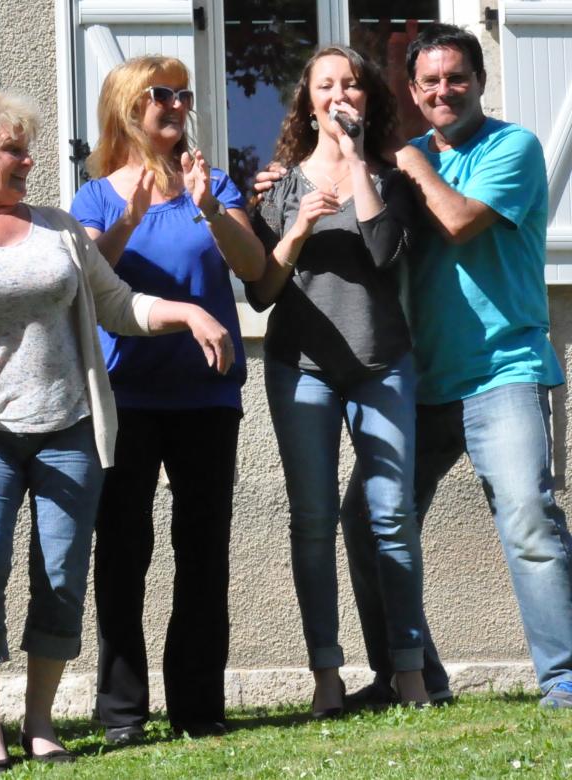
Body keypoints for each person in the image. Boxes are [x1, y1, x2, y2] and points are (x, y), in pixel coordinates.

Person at [0, 88, 234, 770]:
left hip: (69, 427)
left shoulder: (59, 230)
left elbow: (118, 304)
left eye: (27, 150)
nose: (27, 161)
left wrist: (189, 314)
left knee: (63, 573)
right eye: (12, 150)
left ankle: (39, 720)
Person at [333, 23, 572, 710]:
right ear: (413, 91)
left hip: (504, 369)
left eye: (456, 77)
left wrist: (410, 162)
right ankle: (410, 676)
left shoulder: (512, 147)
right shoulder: (402, 161)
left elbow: (460, 221)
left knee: (528, 519)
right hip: (421, 380)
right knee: (367, 517)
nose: (444, 90)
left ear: (480, 82)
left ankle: (563, 679)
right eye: (430, 81)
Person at [70, 55, 265, 743]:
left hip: (206, 396)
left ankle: (198, 706)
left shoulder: (213, 184)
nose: (178, 106)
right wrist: (128, 219)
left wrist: (210, 207)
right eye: (163, 95)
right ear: (129, 106)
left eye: (184, 95)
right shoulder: (95, 197)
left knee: (203, 551)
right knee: (122, 551)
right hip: (124, 396)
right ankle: (122, 712)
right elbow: (86, 281)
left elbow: (253, 268)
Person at [247, 45, 428, 715]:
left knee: (392, 517)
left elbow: (382, 253)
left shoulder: (393, 178)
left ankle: (408, 670)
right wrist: (297, 223)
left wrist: (356, 161)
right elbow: (260, 292)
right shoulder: (279, 187)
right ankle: (326, 673)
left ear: (367, 98)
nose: (340, 95)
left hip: (383, 364)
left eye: (351, 84)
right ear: (308, 102)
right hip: (304, 369)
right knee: (314, 520)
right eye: (326, 86)